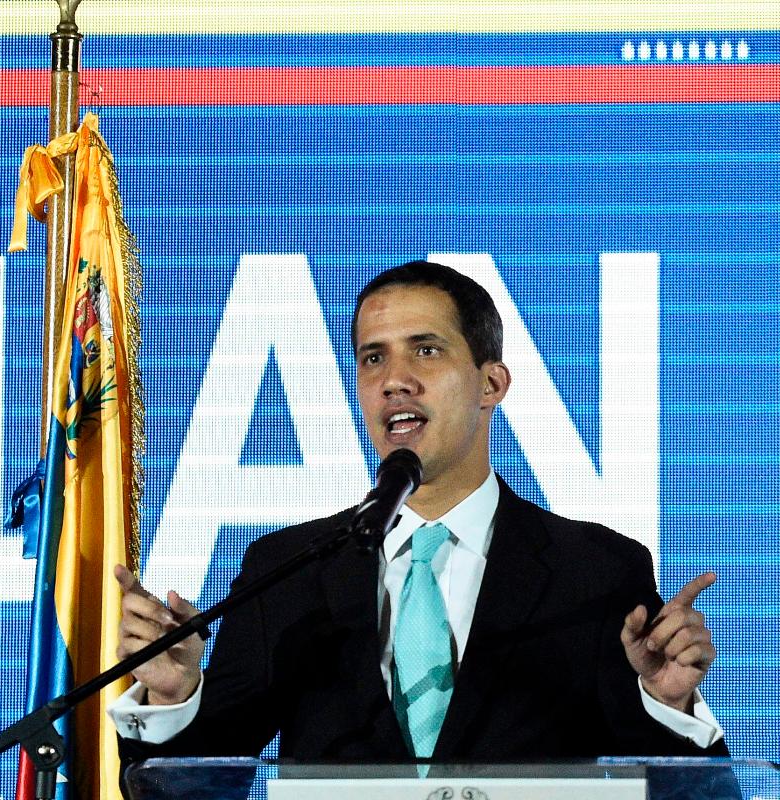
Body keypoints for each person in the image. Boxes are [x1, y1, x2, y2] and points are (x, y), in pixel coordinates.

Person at [108, 261, 726, 774]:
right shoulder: (289, 568)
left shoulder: (596, 570)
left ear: (491, 382)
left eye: (425, 350)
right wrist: (174, 696)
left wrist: (667, 703)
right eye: (372, 358)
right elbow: (192, 779)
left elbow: (669, 787)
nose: (394, 380)